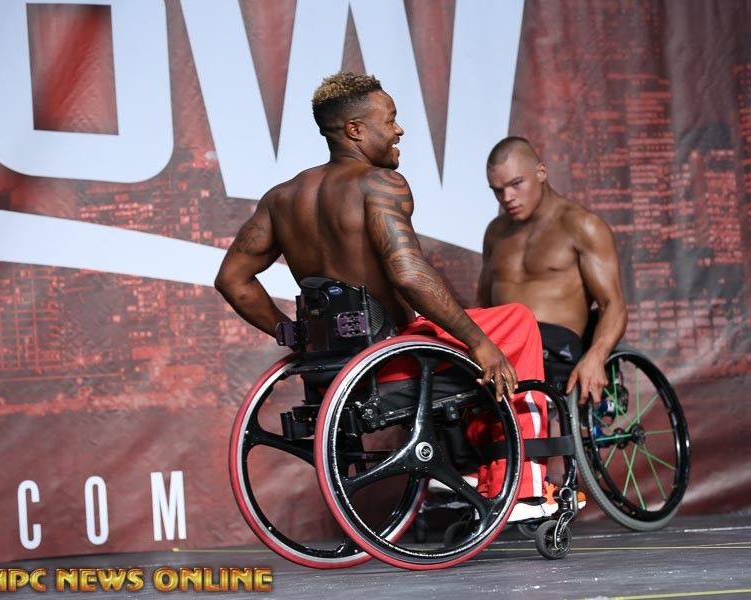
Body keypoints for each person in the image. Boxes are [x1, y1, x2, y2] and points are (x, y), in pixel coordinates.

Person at [214, 73, 550, 517]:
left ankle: (473, 471)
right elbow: (409, 275)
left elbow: (232, 279)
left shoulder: (281, 199)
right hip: (390, 361)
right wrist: (480, 343)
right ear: (355, 129)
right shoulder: (379, 184)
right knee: (516, 322)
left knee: (470, 331)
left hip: (334, 372)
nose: (399, 129)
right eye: (390, 119)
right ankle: (525, 488)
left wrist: (295, 335)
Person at [478, 136, 628, 407]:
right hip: (503, 343)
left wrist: (596, 356)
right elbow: (483, 304)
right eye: (497, 190)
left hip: (554, 348)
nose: (507, 198)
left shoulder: (582, 225)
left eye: (516, 184)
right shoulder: (496, 232)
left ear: (541, 172)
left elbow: (613, 305)